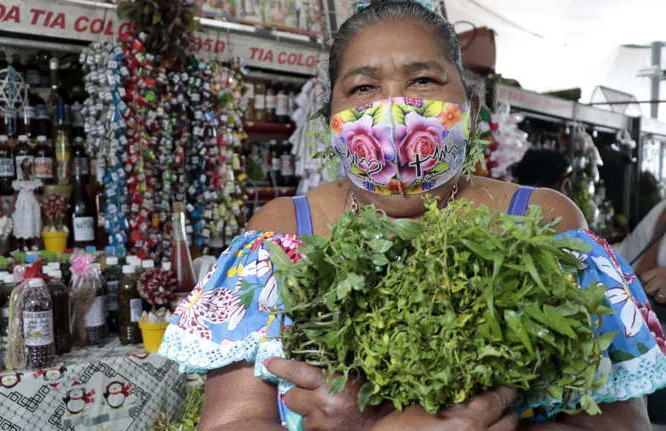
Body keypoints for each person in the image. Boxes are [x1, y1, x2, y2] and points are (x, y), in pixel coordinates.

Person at [159, 1, 663, 430]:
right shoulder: (280, 233)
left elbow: (621, 425)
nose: (394, 110)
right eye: (362, 89)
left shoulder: (542, 223)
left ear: (471, 104)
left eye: (423, 80)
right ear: (329, 115)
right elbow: (232, 420)